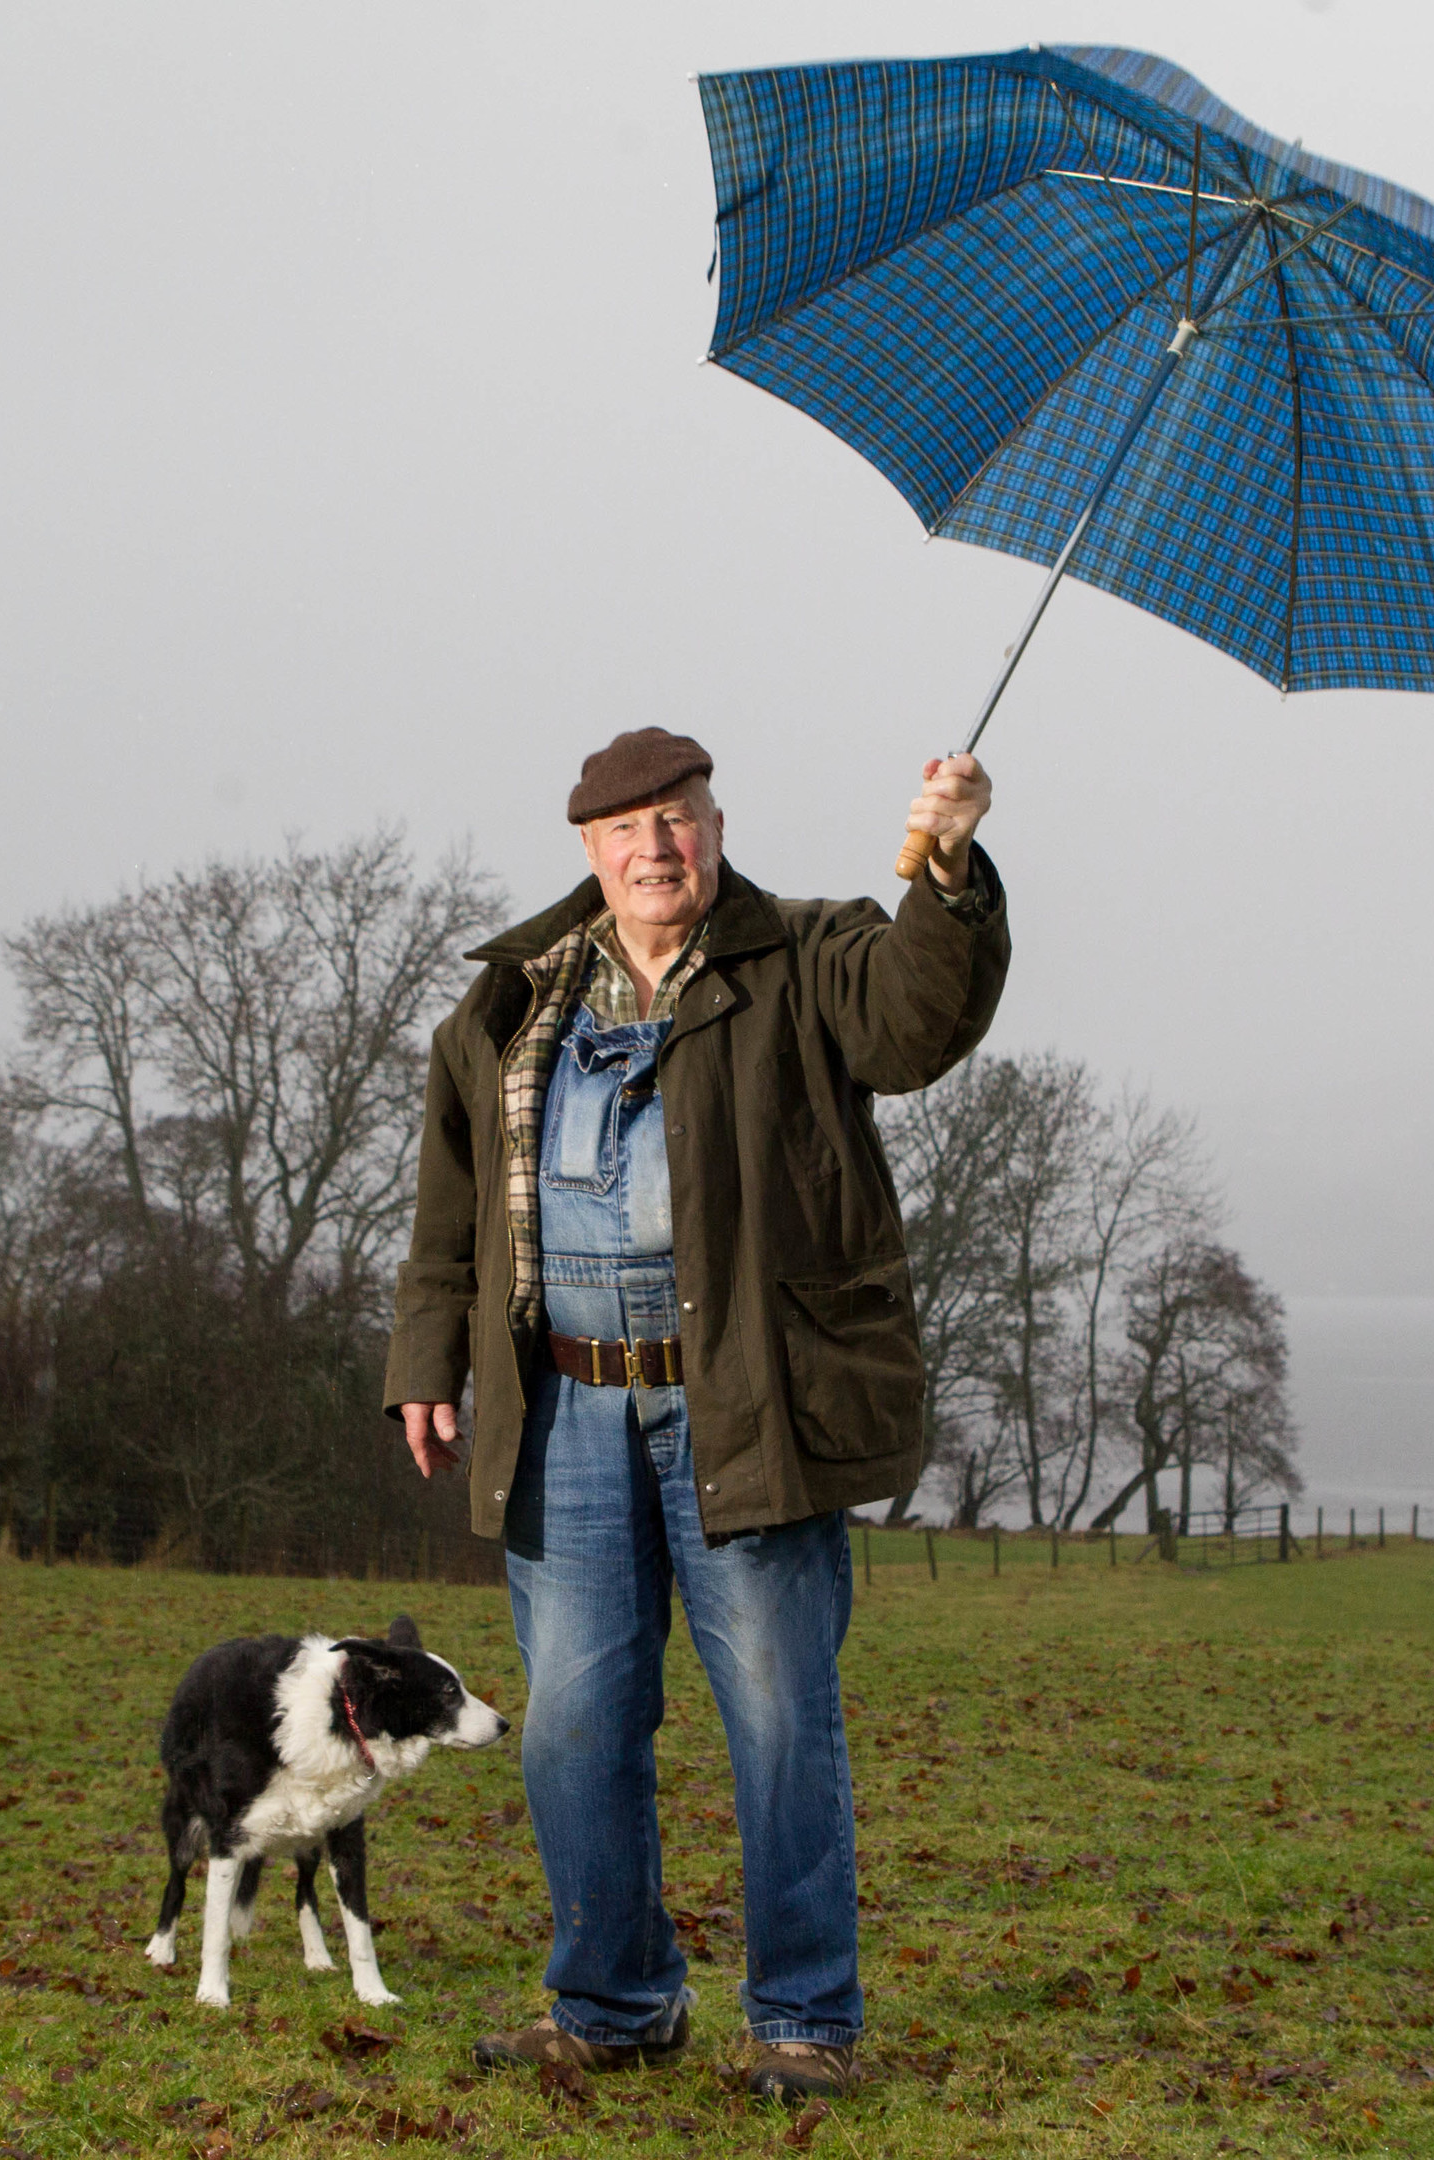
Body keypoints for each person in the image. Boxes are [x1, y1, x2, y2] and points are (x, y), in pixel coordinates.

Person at [383, 728, 1003, 2101]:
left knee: (782, 1719)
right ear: (588, 852)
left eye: (680, 820)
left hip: (747, 1411)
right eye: (628, 830)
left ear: (716, 828)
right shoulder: (506, 1005)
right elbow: (449, 1206)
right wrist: (427, 1354)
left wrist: (948, 864)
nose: (657, 848)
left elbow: (919, 1019)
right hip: (568, 1415)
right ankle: (610, 2003)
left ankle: (803, 2022)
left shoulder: (810, 958)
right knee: (574, 1724)